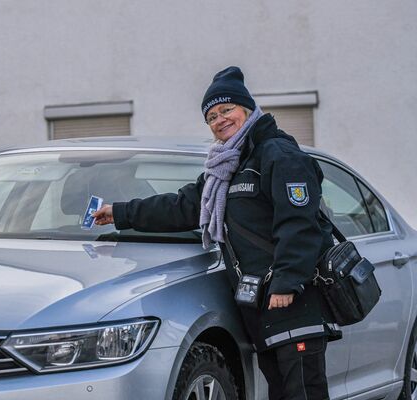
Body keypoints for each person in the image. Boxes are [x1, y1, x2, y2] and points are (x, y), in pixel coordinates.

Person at [93, 66, 335, 400]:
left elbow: (299, 223)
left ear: (246, 109)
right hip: (262, 305)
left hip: (292, 300)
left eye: (226, 110)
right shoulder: (228, 167)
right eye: (211, 116)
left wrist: (286, 282)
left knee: (303, 392)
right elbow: (181, 207)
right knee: (281, 392)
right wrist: (120, 213)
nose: (219, 120)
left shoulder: (278, 154)